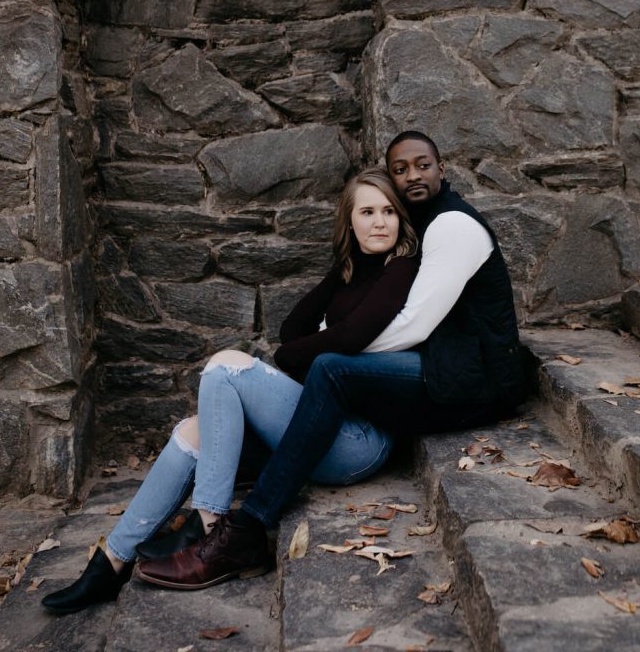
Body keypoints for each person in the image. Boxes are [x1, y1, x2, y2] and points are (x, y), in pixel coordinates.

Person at [134, 129, 527, 592]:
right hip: (446, 365)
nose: (412, 176)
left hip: (478, 383)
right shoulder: (417, 226)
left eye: (423, 165)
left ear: (443, 169)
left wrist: (321, 352)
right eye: (399, 170)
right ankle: (198, 521)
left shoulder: (452, 225)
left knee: (331, 370)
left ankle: (248, 528)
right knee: (311, 378)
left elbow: (413, 327)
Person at [42, 168, 418, 614]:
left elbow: (350, 337)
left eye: (389, 211)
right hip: (320, 423)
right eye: (368, 211)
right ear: (349, 222)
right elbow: (290, 331)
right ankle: (112, 562)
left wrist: (309, 350)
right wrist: (317, 337)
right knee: (195, 430)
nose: (380, 222)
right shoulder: (351, 271)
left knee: (224, 367)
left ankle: (212, 526)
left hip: (358, 439)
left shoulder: (401, 268)